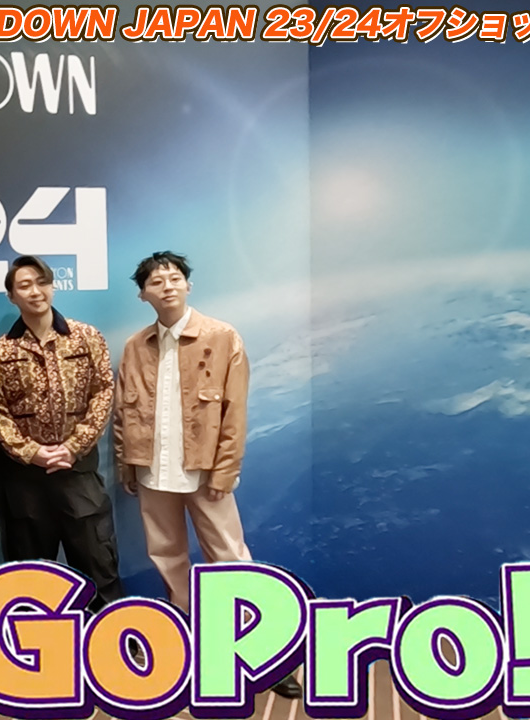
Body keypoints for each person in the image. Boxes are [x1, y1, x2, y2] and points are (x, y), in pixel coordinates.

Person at [113, 251, 302, 699]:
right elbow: (123, 412)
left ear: (188, 285)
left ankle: (264, 651)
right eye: (156, 282)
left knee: (230, 557)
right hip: (152, 470)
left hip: (204, 471)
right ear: (143, 295)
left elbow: (234, 411)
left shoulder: (222, 337)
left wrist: (226, 469)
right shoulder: (135, 346)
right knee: (167, 557)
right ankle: (189, 642)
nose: (167, 286)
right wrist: (126, 464)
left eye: (174, 278)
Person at [0, 255, 124, 611]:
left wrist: (74, 446)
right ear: (12, 296)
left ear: (53, 286)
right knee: (32, 581)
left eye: (42, 282)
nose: (36, 291)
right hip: (26, 481)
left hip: (78, 474)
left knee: (99, 569)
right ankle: (35, 644)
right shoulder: (1, 352)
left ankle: (110, 636)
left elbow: (103, 391)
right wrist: (31, 452)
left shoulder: (86, 337)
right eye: (25, 286)